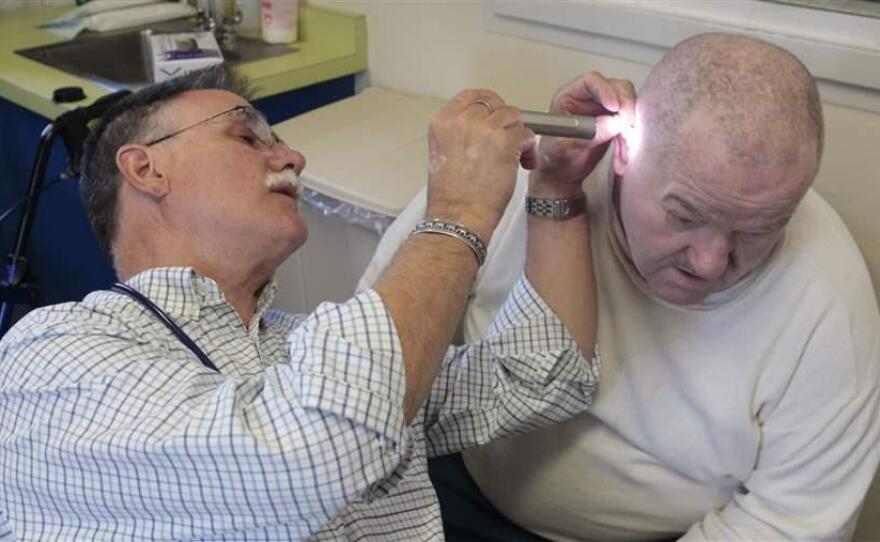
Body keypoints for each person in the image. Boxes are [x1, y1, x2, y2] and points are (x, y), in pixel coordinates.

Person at [0, 64, 635, 540]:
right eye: (246, 139)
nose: (293, 156)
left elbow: (541, 375)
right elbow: (302, 455)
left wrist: (554, 184)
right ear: (145, 170)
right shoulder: (49, 354)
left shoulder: (302, 348)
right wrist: (460, 213)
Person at [360, 33, 880, 540]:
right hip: (453, 488)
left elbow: (791, 521)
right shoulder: (507, 184)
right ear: (626, 152)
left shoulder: (828, 299)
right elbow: (372, 363)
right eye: (685, 214)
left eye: (760, 228)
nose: (710, 261)